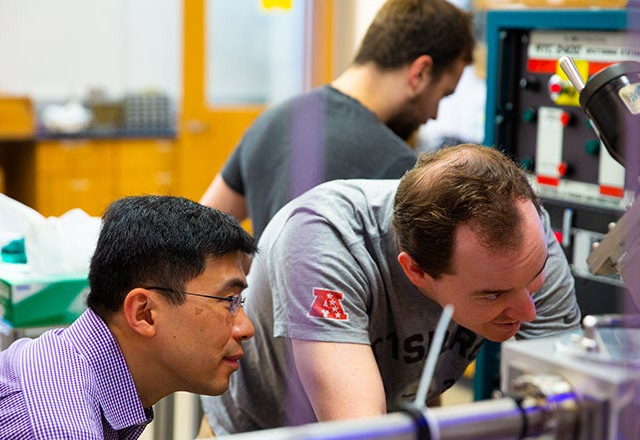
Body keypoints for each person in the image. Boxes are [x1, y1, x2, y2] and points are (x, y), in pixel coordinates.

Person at [200, 143, 582, 434]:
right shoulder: (321, 239)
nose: (528, 310)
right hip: (263, 429)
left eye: (535, 274)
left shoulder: (526, 231)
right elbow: (363, 434)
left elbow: (576, 402)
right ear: (415, 271)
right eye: (494, 294)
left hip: (402, 405)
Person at [0, 195, 257, 439]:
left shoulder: (68, 359)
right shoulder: (60, 427)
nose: (246, 328)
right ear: (144, 313)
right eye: (229, 301)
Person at [200, 0, 476, 239]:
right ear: (421, 73)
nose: (434, 114)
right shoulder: (398, 169)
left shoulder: (272, 121)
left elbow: (204, 235)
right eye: (443, 94)